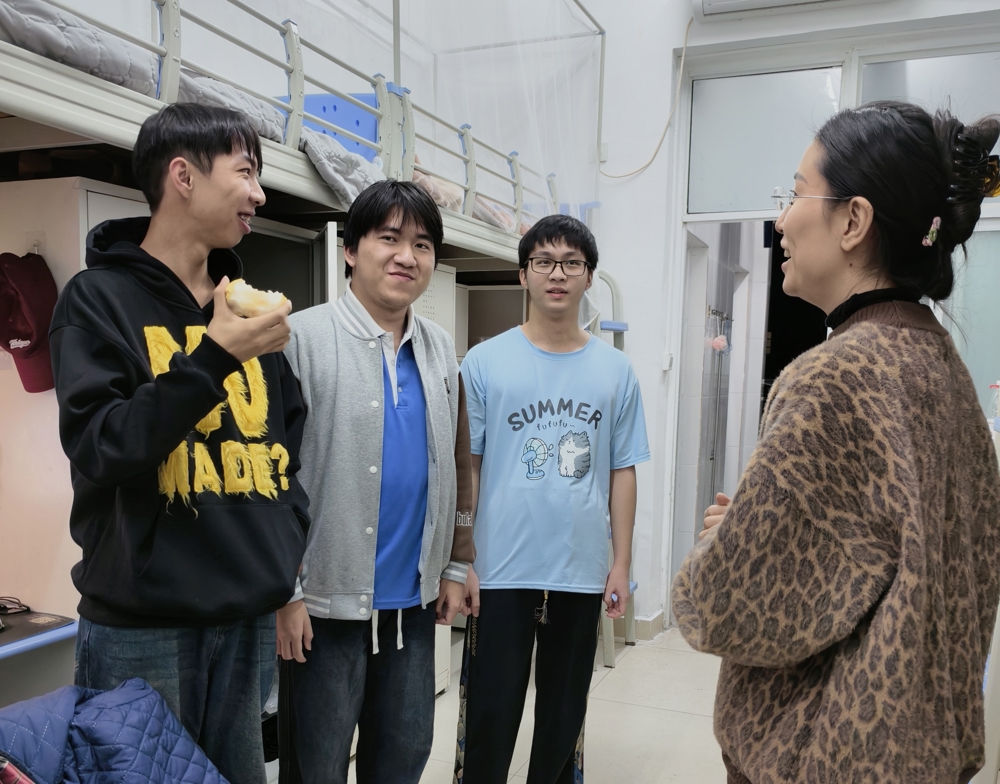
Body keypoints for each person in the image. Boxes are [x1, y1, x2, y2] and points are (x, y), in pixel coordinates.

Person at [672, 101, 1000, 784]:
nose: (780, 221)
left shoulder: (834, 376)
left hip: (826, 756)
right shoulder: (947, 373)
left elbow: (725, 602)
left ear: (853, 221)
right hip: (923, 753)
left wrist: (727, 541)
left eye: (795, 195)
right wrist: (759, 529)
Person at [49, 103, 310, 784]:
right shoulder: (96, 299)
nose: (259, 194)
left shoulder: (245, 305)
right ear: (183, 176)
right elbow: (102, 445)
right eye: (245, 172)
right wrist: (214, 357)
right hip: (142, 626)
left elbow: (285, 446)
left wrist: (284, 549)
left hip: (246, 616)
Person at [277, 179, 475, 784]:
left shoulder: (439, 347)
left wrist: (455, 564)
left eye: (422, 244)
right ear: (350, 249)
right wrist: (285, 592)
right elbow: (270, 477)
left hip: (412, 603)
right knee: (317, 765)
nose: (406, 256)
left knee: (403, 756)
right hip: (322, 603)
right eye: (389, 238)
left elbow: (457, 464)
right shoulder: (299, 339)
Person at [454, 214, 650, 783]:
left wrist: (620, 563)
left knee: (564, 718)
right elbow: (470, 466)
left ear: (589, 276)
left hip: (579, 570)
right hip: (499, 569)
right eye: (543, 262)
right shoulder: (485, 361)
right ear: (523, 274)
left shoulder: (616, 371)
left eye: (571, 263)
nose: (557, 274)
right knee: (489, 715)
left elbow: (622, 470)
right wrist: (462, 560)